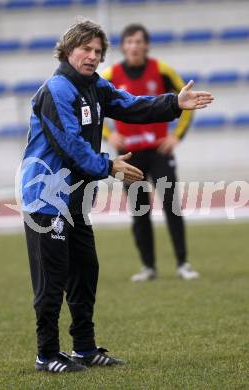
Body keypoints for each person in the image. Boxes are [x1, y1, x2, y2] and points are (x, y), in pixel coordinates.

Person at [20, 20, 213, 374]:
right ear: (67, 50)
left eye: (98, 51)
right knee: (53, 280)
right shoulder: (56, 91)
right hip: (45, 199)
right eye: (86, 50)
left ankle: (84, 348)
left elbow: (131, 105)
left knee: (85, 273)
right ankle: (46, 355)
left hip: (75, 199)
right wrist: (109, 166)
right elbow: (70, 146)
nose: (93, 56)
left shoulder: (94, 86)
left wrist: (174, 103)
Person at [102, 24, 200, 282]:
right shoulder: (110, 75)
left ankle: (183, 263)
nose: (133, 46)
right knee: (139, 210)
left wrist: (175, 136)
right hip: (130, 156)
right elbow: (91, 106)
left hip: (159, 152)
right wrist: (109, 135)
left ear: (146, 45)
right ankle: (148, 267)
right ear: (123, 46)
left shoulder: (162, 71)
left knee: (171, 206)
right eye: (129, 42)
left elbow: (186, 102)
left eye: (138, 41)